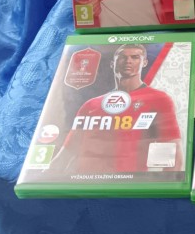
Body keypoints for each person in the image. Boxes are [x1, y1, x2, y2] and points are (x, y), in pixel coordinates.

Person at [50, 44, 183, 174]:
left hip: (128, 182)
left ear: (144, 63)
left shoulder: (158, 99)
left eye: (135, 57)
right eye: (122, 57)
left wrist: (169, 182)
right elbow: (66, 153)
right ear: (112, 63)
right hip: (85, 182)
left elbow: (173, 151)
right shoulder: (91, 105)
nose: (128, 61)